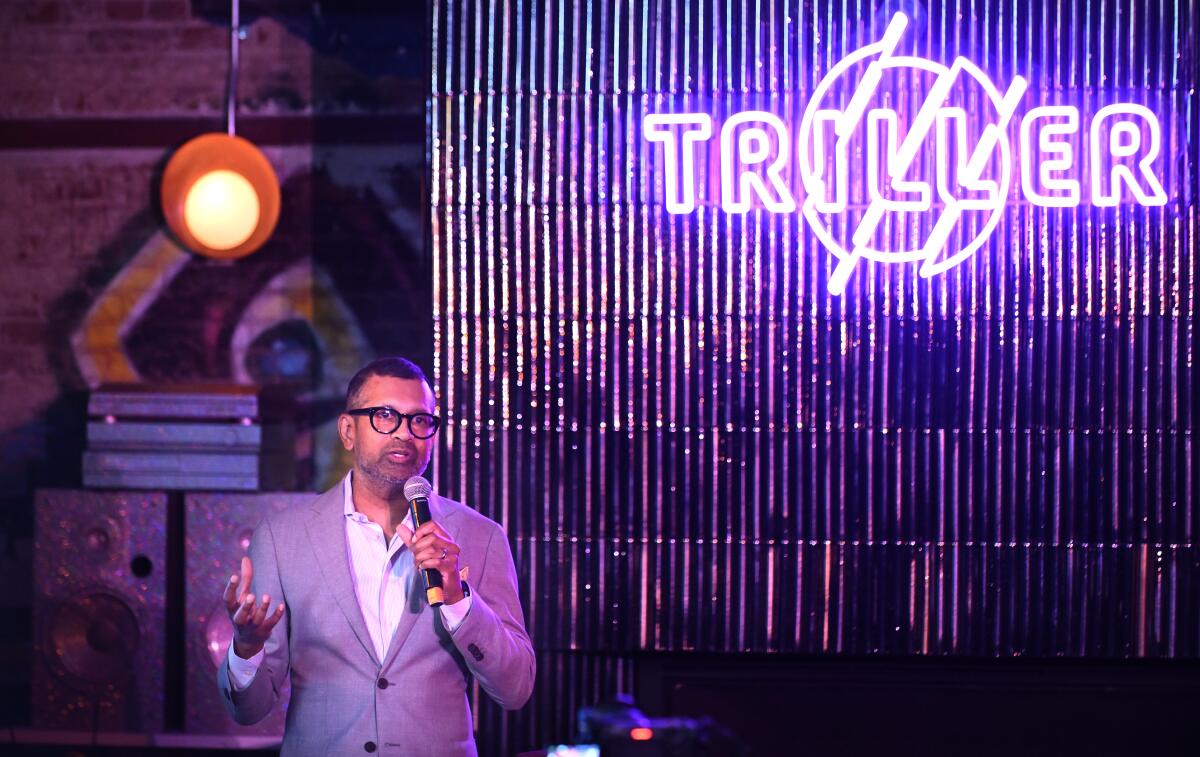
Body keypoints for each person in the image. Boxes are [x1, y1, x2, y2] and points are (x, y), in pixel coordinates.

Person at [217, 357, 535, 756]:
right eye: (385, 416)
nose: (404, 433)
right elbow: (249, 709)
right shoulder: (284, 538)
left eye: (420, 420)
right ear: (348, 431)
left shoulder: (480, 536)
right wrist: (247, 648)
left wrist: (458, 599)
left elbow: (516, 688)